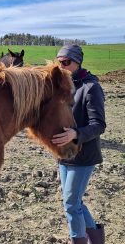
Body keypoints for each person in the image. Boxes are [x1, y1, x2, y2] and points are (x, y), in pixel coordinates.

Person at [51, 45, 106, 244]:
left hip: (83, 155)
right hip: (64, 154)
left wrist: (76, 134)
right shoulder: (64, 86)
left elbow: (99, 125)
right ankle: (96, 240)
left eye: (66, 62)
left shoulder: (91, 88)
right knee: (76, 202)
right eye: (59, 61)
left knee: (71, 204)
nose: (62, 66)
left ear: (77, 62)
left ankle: (79, 240)